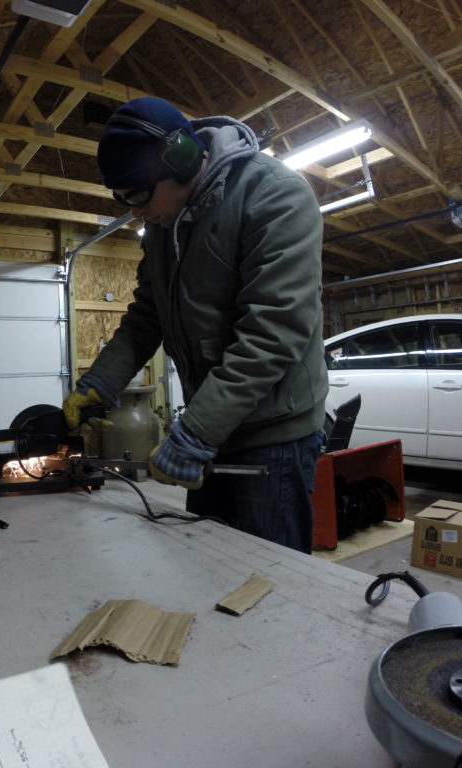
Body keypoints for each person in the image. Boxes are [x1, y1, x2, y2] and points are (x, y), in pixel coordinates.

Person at [62, 96, 328, 553]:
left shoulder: (274, 194)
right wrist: (101, 382)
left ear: (182, 162)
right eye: (124, 201)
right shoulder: (167, 223)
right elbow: (149, 312)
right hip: (211, 427)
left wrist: (193, 435)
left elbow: (273, 333)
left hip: (271, 437)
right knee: (209, 564)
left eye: (140, 197)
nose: (136, 214)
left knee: (269, 581)